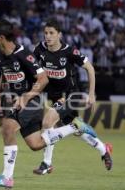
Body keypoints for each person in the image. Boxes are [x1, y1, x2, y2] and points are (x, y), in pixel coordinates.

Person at [0, 19, 96, 188]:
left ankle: (7, 178)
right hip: (19, 101)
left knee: (7, 127)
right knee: (36, 144)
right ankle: (75, 128)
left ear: (1, 37)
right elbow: (3, 75)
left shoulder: (24, 55)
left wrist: (26, 97)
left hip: (32, 102)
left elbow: (43, 79)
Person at [32, 18, 113, 175]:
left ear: (59, 35)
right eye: (46, 33)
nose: (48, 36)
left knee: (48, 122)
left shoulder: (69, 51)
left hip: (71, 95)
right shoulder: (40, 49)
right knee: (77, 132)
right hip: (55, 96)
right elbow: (33, 69)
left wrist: (91, 94)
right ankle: (104, 150)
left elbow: (90, 68)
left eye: (51, 33)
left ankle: (47, 163)